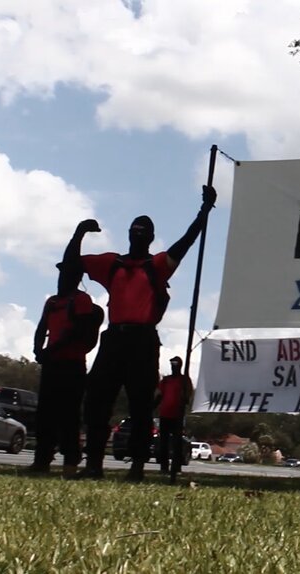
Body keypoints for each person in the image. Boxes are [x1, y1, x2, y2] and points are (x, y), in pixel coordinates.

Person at [64, 184, 215, 482]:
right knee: (96, 401)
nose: (138, 233)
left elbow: (185, 244)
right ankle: (94, 464)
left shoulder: (156, 265)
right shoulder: (112, 263)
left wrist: (205, 211)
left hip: (143, 340)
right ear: (129, 233)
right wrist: (79, 233)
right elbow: (71, 263)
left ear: (150, 236)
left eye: (143, 230)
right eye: (135, 229)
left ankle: (136, 468)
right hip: (114, 338)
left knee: (141, 406)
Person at [26, 261, 102, 478]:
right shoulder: (52, 301)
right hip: (52, 363)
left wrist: (50, 350)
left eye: (67, 274)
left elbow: (77, 331)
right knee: (45, 414)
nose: (62, 278)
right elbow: (42, 326)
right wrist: (38, 348)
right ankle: (42, 459)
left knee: (69, 415)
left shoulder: (81, 300)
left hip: (72, 364)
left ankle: (70, 461)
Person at [154, 356, 191, 476]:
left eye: (175, 364)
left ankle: (176, 466)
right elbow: (159, 395)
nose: (173, 366)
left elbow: (187, 397)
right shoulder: (165, 380)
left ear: (180, 365)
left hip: (178, 416)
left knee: (177, 443)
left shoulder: (185, 380)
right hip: (164, 415)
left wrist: (184, 398)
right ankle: (163, 467)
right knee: (163, 442)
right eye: (172, 364)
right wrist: (152, 406)